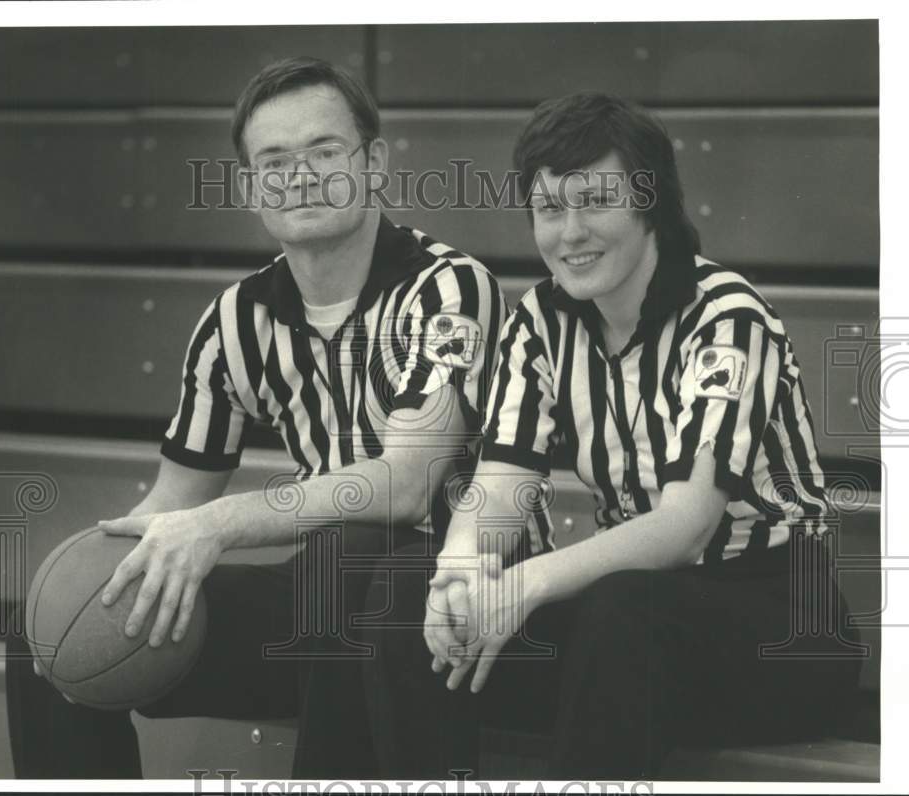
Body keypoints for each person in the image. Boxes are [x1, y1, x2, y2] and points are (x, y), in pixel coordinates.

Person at [5, 56, 508, 779]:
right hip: (324, 606)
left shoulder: (447, 288)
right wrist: (98, 571)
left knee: (351, 553)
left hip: (457, 598)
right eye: (274, 160)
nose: (299, 175)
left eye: (324, 151)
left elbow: (404, 485)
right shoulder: (232, 321)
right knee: (48, 631)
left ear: (374, 163)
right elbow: (173, 506)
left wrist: (218, 526)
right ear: (249, 188)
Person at [362, 92, 865, 780]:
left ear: (649, 204)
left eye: (594, 202)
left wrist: (529, 582)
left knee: (621, 610)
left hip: (781, 627)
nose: (570, 233)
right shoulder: (541, 319)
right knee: (406, 595)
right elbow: (500, 492)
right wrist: (461, 573)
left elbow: (686, 525)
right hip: (633, 620)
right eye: (548, 210)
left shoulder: (726, 318)